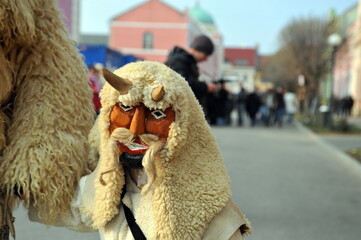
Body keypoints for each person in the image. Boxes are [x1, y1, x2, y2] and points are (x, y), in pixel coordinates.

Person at [30, 61, 252, 240]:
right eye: (126, 108)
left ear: (183, 127)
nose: (135, 129)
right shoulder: (112, 181)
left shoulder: (215, 215)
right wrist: (27, 187)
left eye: (156, 114)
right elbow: (75, 208)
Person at [165, 35, 218, 112]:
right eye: (206, 55)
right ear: (198, 50)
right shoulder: (179, 60)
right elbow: (182, 83)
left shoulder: (187, 61)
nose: (206, 59)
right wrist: (205, 86)